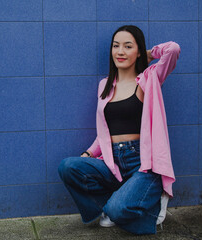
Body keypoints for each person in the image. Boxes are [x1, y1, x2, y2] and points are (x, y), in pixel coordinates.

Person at [58, 25, 180, 235]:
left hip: (142, 163)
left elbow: (173, 49)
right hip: (112, 162)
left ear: (138, 50)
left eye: (128, 46)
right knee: (68, 167)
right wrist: (89, 153)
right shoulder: (105, 85)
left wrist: (148, 54)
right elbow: (105, 131)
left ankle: (140, 205)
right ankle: (120, 204)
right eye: (116, 46)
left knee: (117, 209)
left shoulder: (149, 79)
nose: (120, 51)